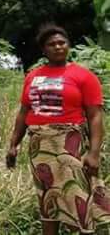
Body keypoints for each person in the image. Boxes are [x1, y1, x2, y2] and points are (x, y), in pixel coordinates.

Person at [6, 24, 110, 235]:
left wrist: (94, 153)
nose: (58, 47)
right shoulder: (32, 76)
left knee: (79, 196)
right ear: (44, 50)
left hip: (70, 145)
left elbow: (95, 115)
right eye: (51, 44)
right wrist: (13, 144)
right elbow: (24, 112)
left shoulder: (83, 76)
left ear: (68, 45)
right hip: (39, 147)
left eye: (62, 42)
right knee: (47, 199)